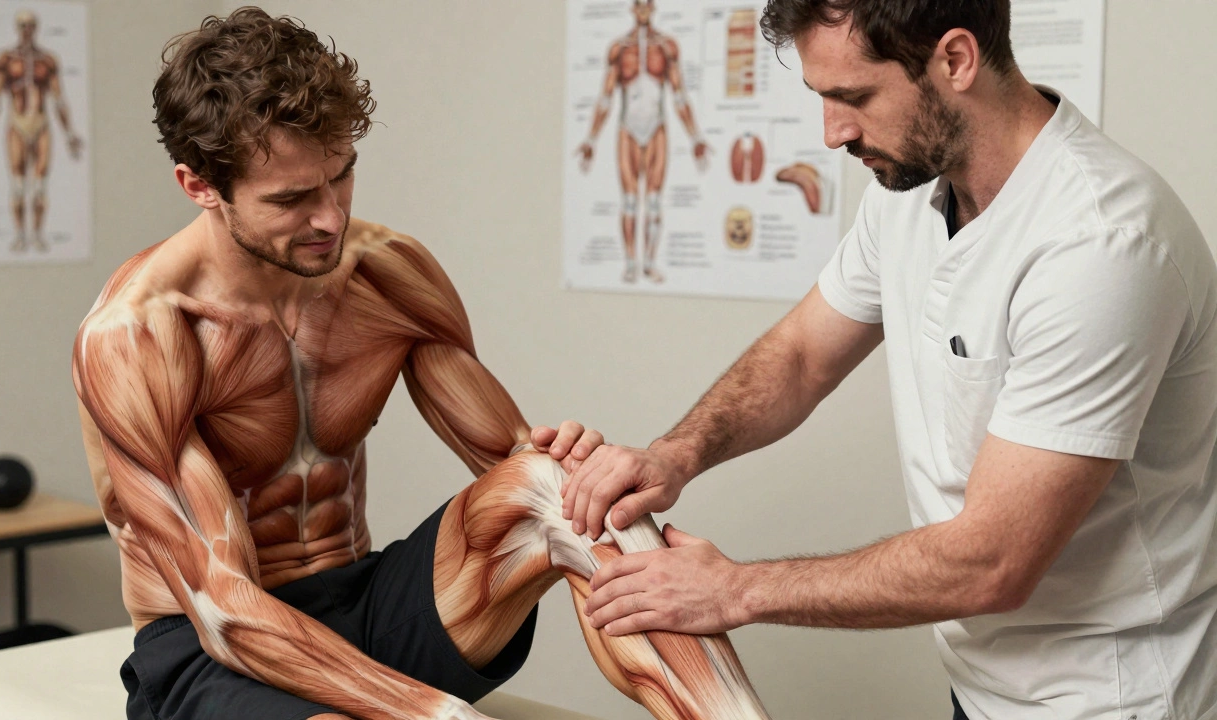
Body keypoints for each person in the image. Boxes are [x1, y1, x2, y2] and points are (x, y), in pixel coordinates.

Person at [72, 8, 772, 720]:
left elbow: (513, 465)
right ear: (199, 186)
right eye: (291, 199)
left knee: (563, 489)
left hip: (364, 602)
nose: (331, 218)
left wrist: (572, 469)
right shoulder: (140, 337)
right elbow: (225, 610)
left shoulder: (385, 277)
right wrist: (436, 713)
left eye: (342, 176)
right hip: (213, 650)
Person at [562, 1, 1217, 718]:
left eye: (854, 97)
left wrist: (734, 590)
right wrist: (673, 455)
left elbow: (993, 562)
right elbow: (803, 356)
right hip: (982, 683)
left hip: (1112, 696)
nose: (833, 132)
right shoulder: (908, 190)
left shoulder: (1102, 244)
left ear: (956, 60)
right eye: (822, 98)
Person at [576, 0, 709, 285]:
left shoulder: (666, 47)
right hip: (628, 130)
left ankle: (648, 263)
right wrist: (591, 139)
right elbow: (605, 98)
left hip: (656, 128)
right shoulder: (619, 49)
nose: (644, 11)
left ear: (652, 8)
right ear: (633, 9)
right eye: (639, 6)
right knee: (628, 201)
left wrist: (695, 137)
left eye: (648, 5)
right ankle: (629, 264)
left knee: (653, 201)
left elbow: (679, 95)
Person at [0, 9, 84, 253]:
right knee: (19, 185)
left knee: (40, 185)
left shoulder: (47, 60)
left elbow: (59, 99)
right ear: (17, 28)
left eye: (30, 25)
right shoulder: (7, 59)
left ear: (36, 28)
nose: (27, 30)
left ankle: (38, 234)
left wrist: (70, 134)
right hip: (17, 123)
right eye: (22, 25)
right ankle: (21, 235)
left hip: (41, 124)